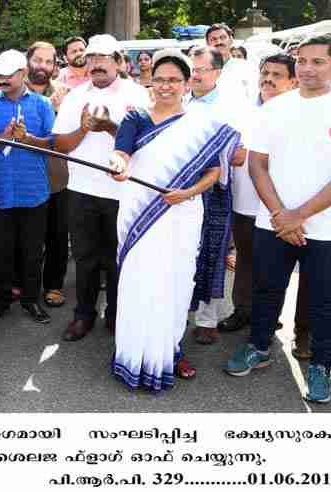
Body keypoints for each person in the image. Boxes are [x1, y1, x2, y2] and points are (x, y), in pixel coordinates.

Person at [225, 34, 331, 405]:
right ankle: (259, 346)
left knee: (322, 300)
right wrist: (279, 215)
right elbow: (257, 164)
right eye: (302, 61)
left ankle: (320, 364)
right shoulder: (275, 108)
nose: (307, 69)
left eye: (318, 62)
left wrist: (297, 216)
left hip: (326, 227)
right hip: (273, 221)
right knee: (266, 289)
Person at [109, 49, 240, 390]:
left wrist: (188, 192)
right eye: (160, 79)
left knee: (175, 283)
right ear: (150, 82)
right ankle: (132, 356)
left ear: (186, 83)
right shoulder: (135, 117)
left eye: (174, 80)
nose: (166, 86)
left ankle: (168, 352)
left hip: (182, 213)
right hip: (140, 212)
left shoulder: (202, 124)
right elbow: (121, 152)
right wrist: (119, 165)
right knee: (139, 283)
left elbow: (215, 170)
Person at [53, 34, 149, 342]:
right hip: (81, 189)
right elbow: (61, 145)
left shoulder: (138, 96)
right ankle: (84, 315)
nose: (96, 64)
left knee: (118, 258)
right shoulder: (75, 96)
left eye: (103, 58)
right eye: (91, 59)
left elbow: (146, 145)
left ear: (119, 61)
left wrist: (109, 127)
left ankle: (117, 315)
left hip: (122, 192)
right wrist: (83, 128)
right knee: (85, 258)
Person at [0, 50, 56, 325]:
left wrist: (27, 138)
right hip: (2, 190)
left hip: (35, 190)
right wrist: (4, 137)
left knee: (33, 250)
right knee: (2, 250)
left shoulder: (42, 105)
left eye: (8, 75)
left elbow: (53, 144)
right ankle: (0, 300)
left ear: (23, 74)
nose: (2, 80)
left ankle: (31, 300)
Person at [217, 53, 298, 338]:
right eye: (265, 73)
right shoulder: (243, 112)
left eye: (278, 75)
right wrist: (233, 154)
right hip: (244, 202)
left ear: (292, 81)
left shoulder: (297, 114)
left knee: (276, 267)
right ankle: (242, 310)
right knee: (246, 260)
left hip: (280, 206)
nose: (269, 79)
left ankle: (269, 317)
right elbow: (226, 149)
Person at [185, 46, 237, 345]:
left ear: (217, 72)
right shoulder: (179, 100)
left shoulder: (231, 106)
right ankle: (179, 312)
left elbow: (238, 152)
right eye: (191, 69)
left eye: (201, 70)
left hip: (214, 190)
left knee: (212, 254)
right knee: (183, 252)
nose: (195, 75)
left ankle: (207, 320)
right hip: (179, 190)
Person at [25, 41, 70, 308]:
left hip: (56, 177)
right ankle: (24, 284)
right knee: (28, 237)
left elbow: (71, 134)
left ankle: (53, 285)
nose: (42, 66)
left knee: (57, 235)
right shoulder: (14, 90)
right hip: (24, 177)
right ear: (27, 61)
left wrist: (59, 109)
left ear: (55, 66)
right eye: (37, 60)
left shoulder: (67, 95)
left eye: (48, 61)